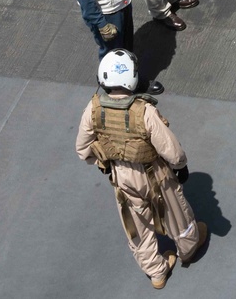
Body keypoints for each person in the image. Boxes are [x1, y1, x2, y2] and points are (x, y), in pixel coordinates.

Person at [76, 50, 209, 290]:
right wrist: (180, 166)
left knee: (137, 224)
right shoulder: (144, 111)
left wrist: (107, 161)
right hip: (155, 172)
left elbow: (82, 150)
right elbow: (170, 148)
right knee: (174, 211)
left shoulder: (93, 110)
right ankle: (188, 248)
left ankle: (156, 273)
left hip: (121, 175)